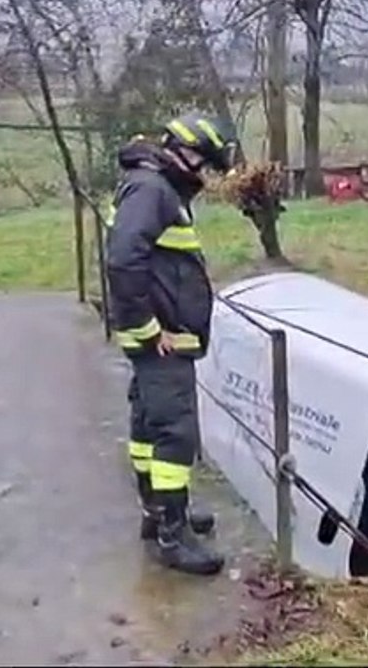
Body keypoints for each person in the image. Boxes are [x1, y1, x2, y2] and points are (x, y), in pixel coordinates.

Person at [106, 112, 241, 576]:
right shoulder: (153, 191)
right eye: (204, 165)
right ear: (186, 154)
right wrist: (146, 327)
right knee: (175, 433)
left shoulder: (149, 185)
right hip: (162, 339)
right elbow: (124, 260)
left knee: (148, 425)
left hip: (157, 335)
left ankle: (157, 512)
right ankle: (173, 535)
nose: (204, 176)